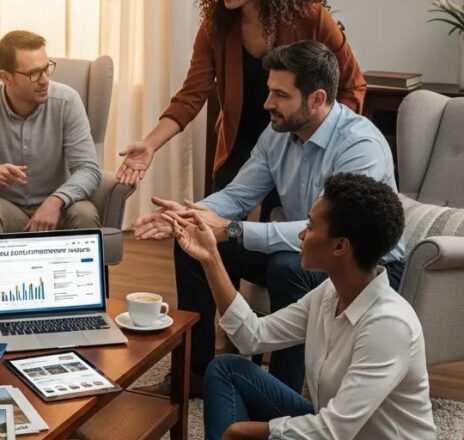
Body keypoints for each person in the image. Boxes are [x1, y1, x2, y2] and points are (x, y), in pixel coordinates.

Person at [133, 40, 404, 396]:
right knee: (193, 246)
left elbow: (332, 233)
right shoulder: (278, 133)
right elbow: (238, 194)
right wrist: (189, 218)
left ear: (317, 99)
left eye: (280, 95)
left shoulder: (359, 146)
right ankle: (194, 374)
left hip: (360, 262)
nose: (267, 104)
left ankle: (280, 395)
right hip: (307, 249)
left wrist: (231, 230)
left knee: (287, 267)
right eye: (268, 92)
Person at [165, 173, 435, 439]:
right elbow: (252, 336)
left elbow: (333, 431)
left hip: (337, 433)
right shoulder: (329, 293)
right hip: (334, 430)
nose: (302, 234)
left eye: (310, 226)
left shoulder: (388, 325)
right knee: (227, 369)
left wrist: (247, 431)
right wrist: (210, 257)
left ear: (340, 246)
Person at [116, 0, 365, 198]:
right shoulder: (215, 27)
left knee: (277, 240)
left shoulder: (312, 17)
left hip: (297, 142)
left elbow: (352, 86)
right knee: (209, 227)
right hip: (239, 143)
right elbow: (190, 97)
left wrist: (326, 141)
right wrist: (149, 145)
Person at [0, 30, 102, 297]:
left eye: (46, 69)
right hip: (5, 205)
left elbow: (88, 169)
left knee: (85, 214)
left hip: (59, 204)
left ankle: (79, 303)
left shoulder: (67, 101)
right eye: (33, 74)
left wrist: (57, 199)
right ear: (6, 77)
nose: (45, 80)